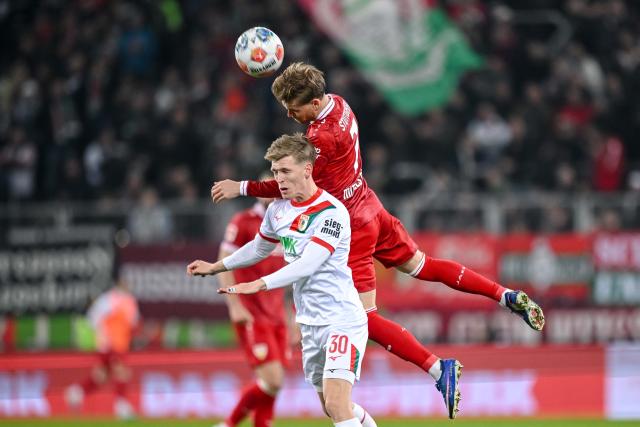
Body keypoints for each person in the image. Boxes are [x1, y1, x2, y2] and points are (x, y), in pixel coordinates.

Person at [212, 62, 545, 418]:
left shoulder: (319, 140)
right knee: (423, 265)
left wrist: (242, 186)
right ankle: (503, 294)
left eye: (293, 108)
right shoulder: (339, 104)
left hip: (348, 225)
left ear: (311, 102)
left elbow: (288, 183)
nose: (290, 115)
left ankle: (437, 368)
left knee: (362, 317)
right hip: (369, 204)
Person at [189, 133, 378, 427]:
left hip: (342, 318)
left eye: (285, 171)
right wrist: (217, 266)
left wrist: (260, 283)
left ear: (307, 169)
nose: (279, 180)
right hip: (310, 323)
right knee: (333, 407)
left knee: (338, 405)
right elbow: (259, 247)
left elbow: (307, 264)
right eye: (276, 172)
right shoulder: (278, 210)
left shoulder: (331, 213)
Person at [214, 185, 291, 427]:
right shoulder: (244, 221)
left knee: (271, 385)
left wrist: (292, 314)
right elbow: (222, 262)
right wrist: (234, 305)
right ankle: (229, 424)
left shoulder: (288, 223)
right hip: (252, 313)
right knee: (273, 379)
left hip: (277, 315)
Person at [65, 280, 140, 419]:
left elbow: (132, 322)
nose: (128, 285)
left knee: (101, 376)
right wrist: (102, 335)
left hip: (121, 345)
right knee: (122, 372)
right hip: (110, 344)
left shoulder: (130, 301)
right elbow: (93, 317)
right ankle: (121, 407)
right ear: (118, 284)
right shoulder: (109, 299)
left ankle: (76, 393)